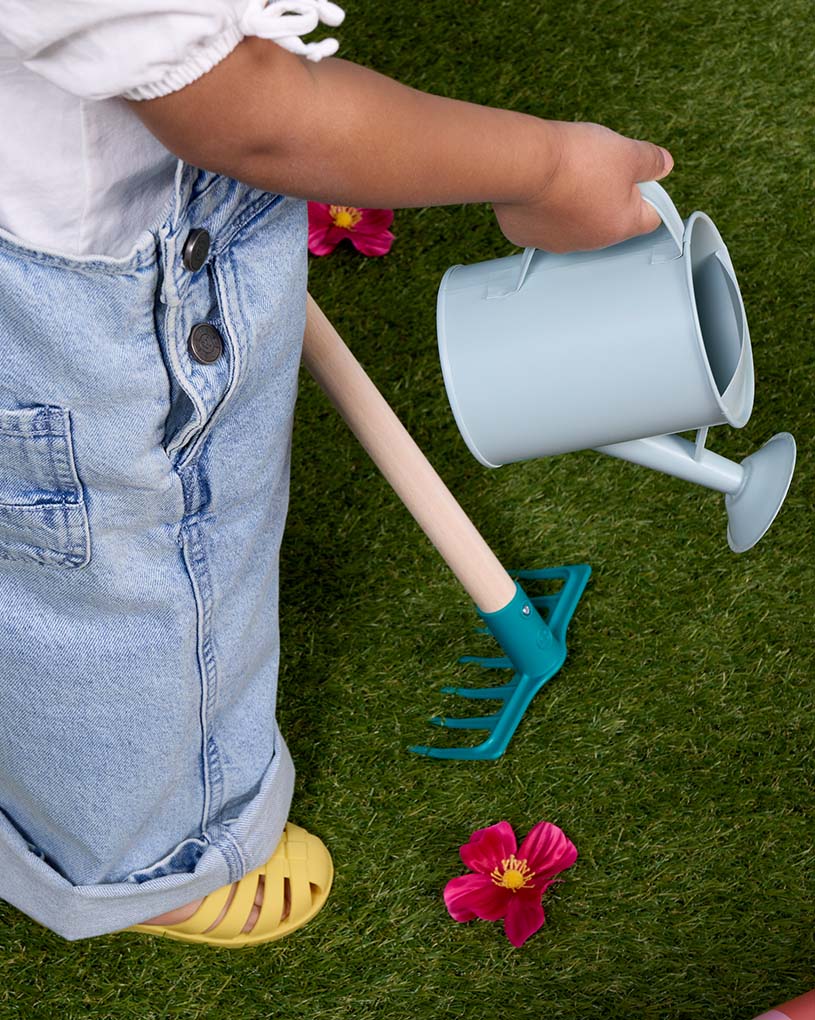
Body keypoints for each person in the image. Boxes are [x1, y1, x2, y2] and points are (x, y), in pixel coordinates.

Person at [0, 0, 673, 947]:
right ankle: (156, 862)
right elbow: (260, 121)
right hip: (90, 285)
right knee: (138, 559)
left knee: (32, 540)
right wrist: (549, 167)